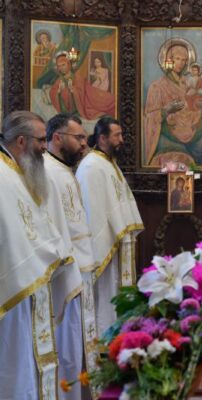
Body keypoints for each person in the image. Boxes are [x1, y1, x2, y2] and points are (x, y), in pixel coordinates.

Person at [0, 111, 74, 399]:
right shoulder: (4, 176)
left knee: (25, 363)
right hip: (14, 288)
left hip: (28, 283)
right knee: (14, 362)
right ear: (21, 141)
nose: (45, 147)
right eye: (41, 140)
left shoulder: (17, 171)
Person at [45, 113, 99, 399]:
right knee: (64, 346)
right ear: (57, 138)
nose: (84, 144)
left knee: (74, 347)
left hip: (79, 272)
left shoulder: (65, 170)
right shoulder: (45, 171)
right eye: (78, 137)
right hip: (63, 275)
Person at [76, 117, 144, 335]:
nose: (122, 140)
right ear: (102, 138)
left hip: (116, 240)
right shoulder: (91, 166)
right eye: (117, 135)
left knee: (114, 291)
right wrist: (108, 234)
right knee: (105, 294)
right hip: (105, 242)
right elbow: (93, 210)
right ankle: (105, 336)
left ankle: (118, 334)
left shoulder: (107, 163)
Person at [143, 43, 202, 167]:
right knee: (178, 159)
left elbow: (196, 102)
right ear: (169, 60)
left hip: (193, 131)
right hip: (169, 134)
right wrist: (167, 110)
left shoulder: (189, 84)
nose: (181, 63)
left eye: (184, 60)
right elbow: (150, 117)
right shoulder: (157, 86)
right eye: (178, 59)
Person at [48, 52, 116, 120]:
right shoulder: (59, 80)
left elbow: (83, 91)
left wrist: (73, 90)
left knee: (107, 101)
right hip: (68, 110)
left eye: (63, 65)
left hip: (87, 99)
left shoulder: (77, 77)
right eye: (59, 66)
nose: (61, 68)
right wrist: (59, 91)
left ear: (69, 64)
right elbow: (52, 92)